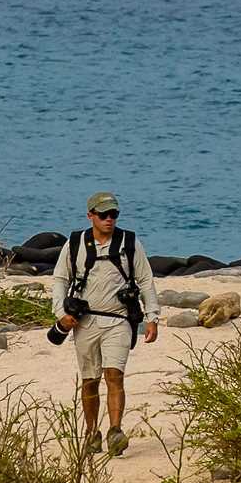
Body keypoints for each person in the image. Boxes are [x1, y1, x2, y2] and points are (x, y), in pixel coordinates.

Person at [50, 190, 160, 456]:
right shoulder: (74, 243)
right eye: (103, 215)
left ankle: (115, 431)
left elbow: (145, 279)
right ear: (91, 216)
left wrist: (152, 316)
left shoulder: (129, 242)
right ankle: (91, 434)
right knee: (89, 381)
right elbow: (60, 279)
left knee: (114, 375)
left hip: (119, 320)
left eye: (114, 214)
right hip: (84, 322)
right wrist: (60, 313)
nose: (109, 219)